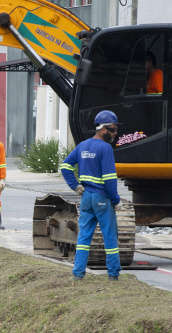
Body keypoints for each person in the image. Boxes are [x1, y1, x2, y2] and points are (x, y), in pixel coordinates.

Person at [59, 110, 123, 281]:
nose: (115, 133)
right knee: (110, 236)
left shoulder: (83, 145)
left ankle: (78, 274)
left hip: (86, 197)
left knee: (84, 236)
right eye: (112, 129)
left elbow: (65, 166)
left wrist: (76, 186)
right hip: (102, 198)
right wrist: (116, 200)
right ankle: (113, 275)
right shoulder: (105, 148)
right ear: (102, 129)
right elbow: (109, 179)